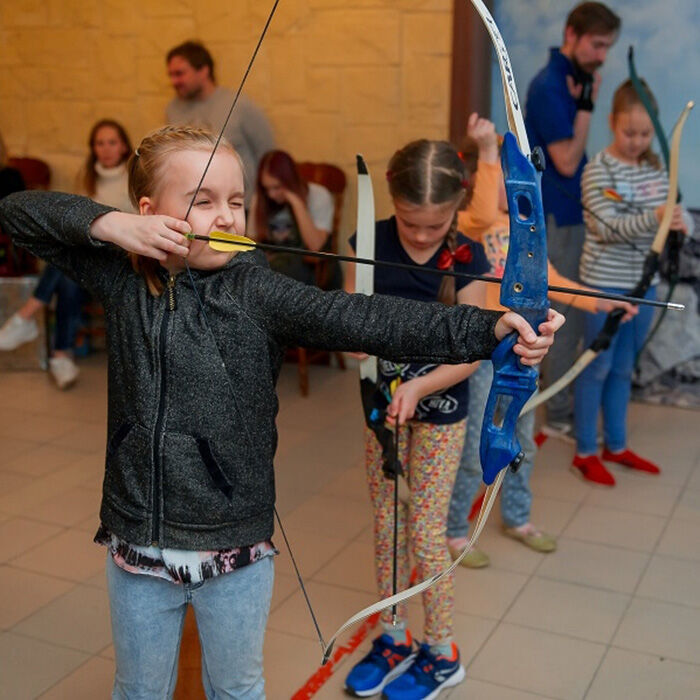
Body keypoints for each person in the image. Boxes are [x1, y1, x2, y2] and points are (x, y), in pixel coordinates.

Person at [0, 125, 563, 700]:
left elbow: (368, 319)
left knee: (238, 689)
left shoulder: (261, 292)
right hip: (138, 544)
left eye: (237, 202)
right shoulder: (121, 277)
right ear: (150, 212)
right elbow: (17, 212)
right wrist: (113, 225)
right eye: (204, 201)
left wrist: (491, 329)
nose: (226, 217)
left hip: (235, 547)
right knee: (139, 689)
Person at [341, 139, 561, 700]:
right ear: (391, 200)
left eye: (435, 225)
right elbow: (345, 323)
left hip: (441, 412)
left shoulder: (468, 257)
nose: (420, 236)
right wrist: (357, 354)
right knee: (389, 525)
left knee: (426, 534)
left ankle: (441, 652)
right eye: (412, 223)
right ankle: (392, 634)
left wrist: (418, 384)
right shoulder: (370, 241)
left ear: (456, 208)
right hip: (381, 415)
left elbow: (474, 352)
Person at [446, 114, 635, 567]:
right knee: (479, 447)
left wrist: (600, 303)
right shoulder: (473, 223)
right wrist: (490, 151)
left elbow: (552, 283)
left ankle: (516, 517)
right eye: (509, 183)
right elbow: (485, 211)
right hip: (482, 352)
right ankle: (454, 531)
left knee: (522, 442)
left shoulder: (526, 234)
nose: (514, 194)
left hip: (521, 353)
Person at [572, 80, 692, 486]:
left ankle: (617, 444)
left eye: (645, 133)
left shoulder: (657, 169)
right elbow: (605, 227)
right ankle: (586, 449)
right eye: (629, 132)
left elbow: (677, 214)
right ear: (612, 124)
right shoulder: (598, 170)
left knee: (624, 369)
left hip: (646, 288)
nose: (638, 141)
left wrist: (680, 222)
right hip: (604, 288)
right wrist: (656, 218)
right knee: (596, 367)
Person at [525, 2, 621, 440]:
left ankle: (560, 409)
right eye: (597, 44)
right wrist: (587, 104)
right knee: (563, 314)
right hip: (555, 216)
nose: (602, 54)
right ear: (572, 33)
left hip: (567, 215)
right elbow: (565, 160)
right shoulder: (550, 85)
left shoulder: (568, 78)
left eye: (607, 47)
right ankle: (560, 416)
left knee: (571, 315)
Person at [0, 119, 134, 389]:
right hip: (87, 263)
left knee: (69, 262)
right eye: (99, 143)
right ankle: (61, 355)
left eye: (112, 142)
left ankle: (29, 319)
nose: (106, 149)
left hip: (121, 262)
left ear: (123, 147)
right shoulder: (86, 180)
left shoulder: (135, 179)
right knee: (68, 274)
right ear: (93, 148)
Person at [165, 40, 275, 207]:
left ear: (203, 71)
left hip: (240, 206)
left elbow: (267, 155)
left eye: (180, 74)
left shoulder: (239, 105)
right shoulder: (173, 109)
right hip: (193, 207)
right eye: (171, 75)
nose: (174, 81)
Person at [248, 149, 340, 287]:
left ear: (290, 181)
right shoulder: (263, 199)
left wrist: (296, 202)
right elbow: (250, 241)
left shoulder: (319, 195)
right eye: (266, 188)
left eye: (277, 187)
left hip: (305, 267)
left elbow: (316, 245)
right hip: (273, 264)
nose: (271, 194)